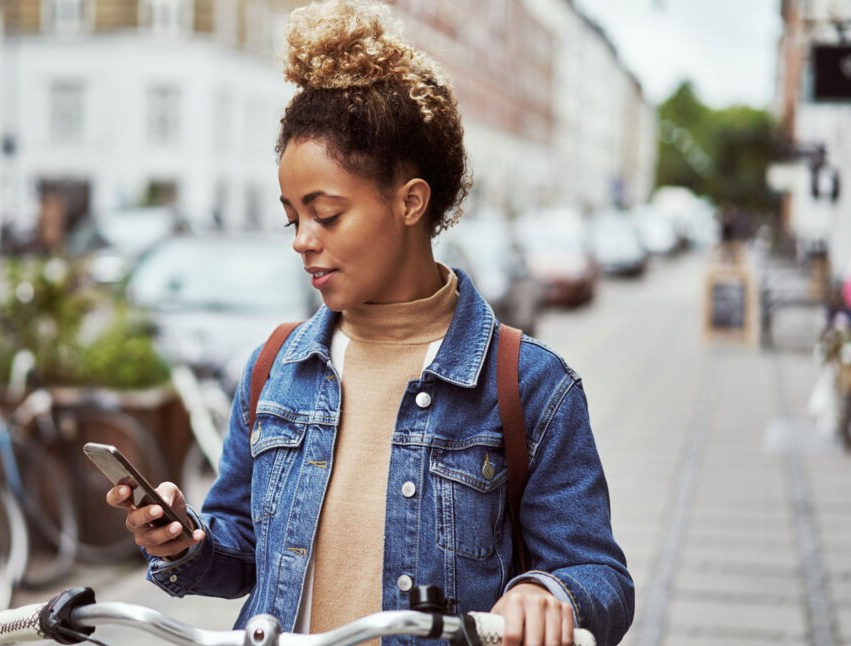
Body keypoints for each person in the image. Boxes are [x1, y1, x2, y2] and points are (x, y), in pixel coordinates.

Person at [107, 1, 634, 644]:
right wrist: (181, 542)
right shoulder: (276, 368)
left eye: (325, 215)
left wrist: (547, 592)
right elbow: (240, 552)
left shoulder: (528, 386)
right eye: (291, 217)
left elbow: (602, 579)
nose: (302, 240)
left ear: (410, 201)